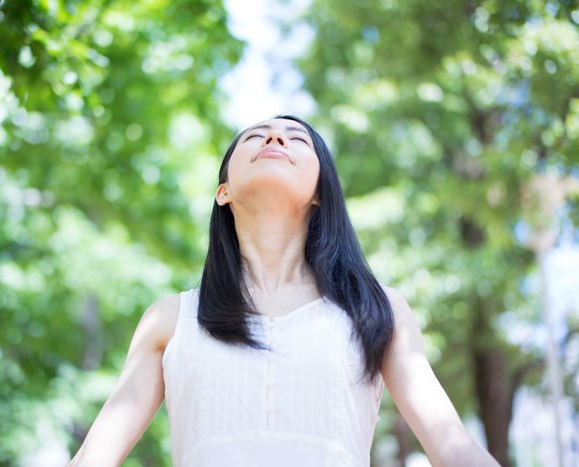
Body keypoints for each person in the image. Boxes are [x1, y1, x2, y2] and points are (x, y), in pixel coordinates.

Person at [68, 115, 499, 467]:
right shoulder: (171, 319)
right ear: (223, 192)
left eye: (298, 140)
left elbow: (452, 447)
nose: (275, 136)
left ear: (319, 194)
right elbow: (93, 459)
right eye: (256, 136)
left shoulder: (378, 309)